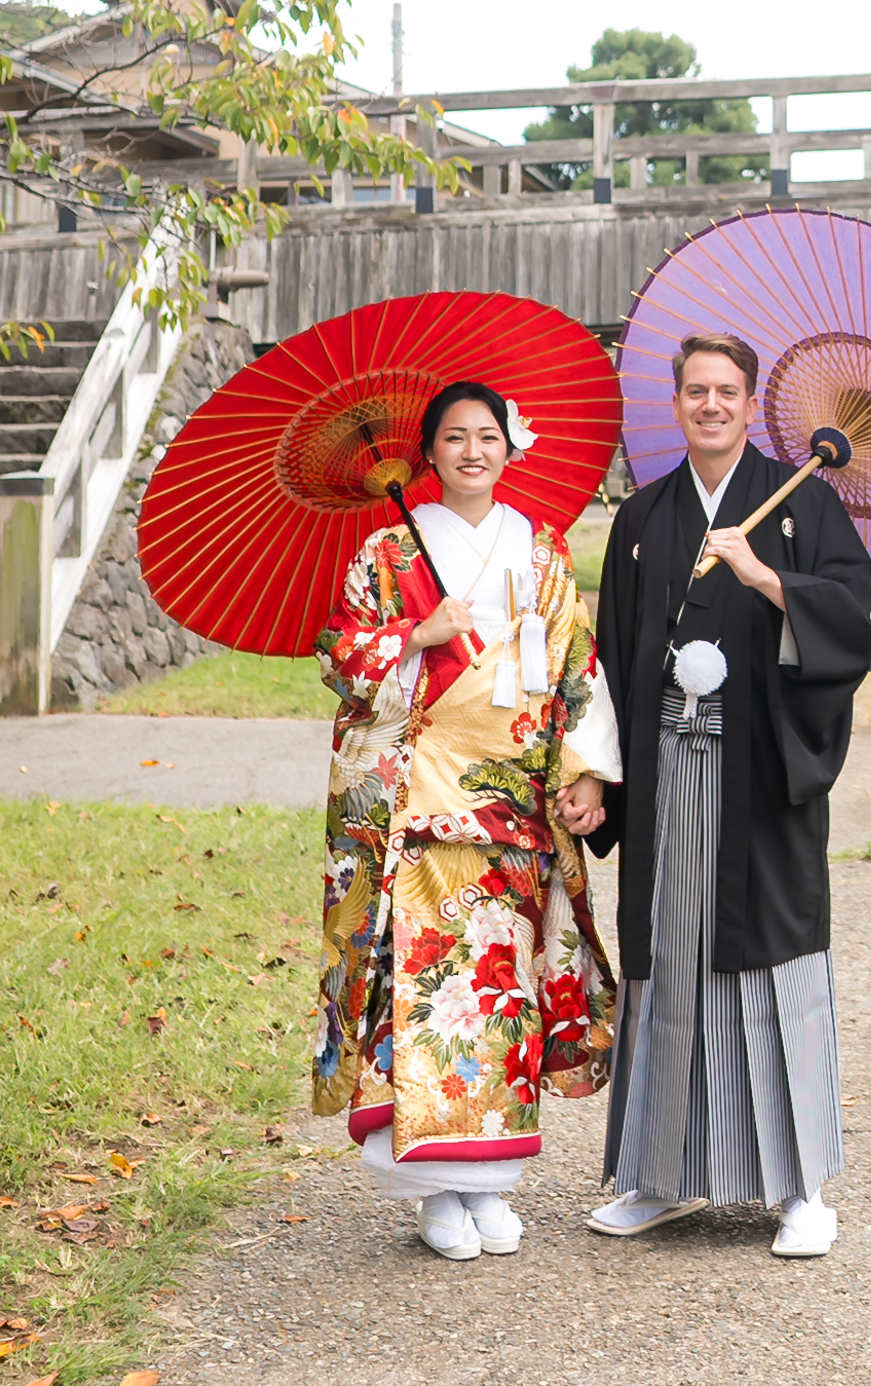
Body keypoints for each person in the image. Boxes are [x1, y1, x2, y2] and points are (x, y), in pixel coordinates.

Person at [568, 331, 871, 1258]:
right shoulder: (642, 517)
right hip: (667, 770)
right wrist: (595, 769)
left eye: (727, 391)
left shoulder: (803, 502)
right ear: (677, 404)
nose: (711, 405)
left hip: (760, 771)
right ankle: (661, 1176)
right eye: (696, 391)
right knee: (669, 960)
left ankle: (800, 1187)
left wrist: (767, 577)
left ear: (752, 405)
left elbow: (861, 615)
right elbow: (611, 659)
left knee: (771, 965)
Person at [314, 380, 621, 1261]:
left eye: (488, 436)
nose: (473, 452)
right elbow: (339, 653)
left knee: (500, 989)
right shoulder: (387, 551)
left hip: (515, 801)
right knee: (424, 989)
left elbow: (577, 668)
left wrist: (585, 773)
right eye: (455, 437)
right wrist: (415, 636)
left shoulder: (543, 548)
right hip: (418, 802)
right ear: (429, 453)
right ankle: (433, 1191)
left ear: (509, 448)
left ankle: (488, 1183)